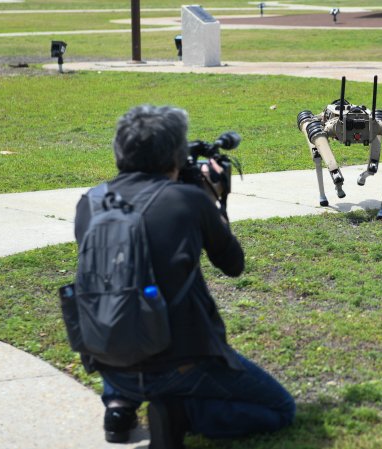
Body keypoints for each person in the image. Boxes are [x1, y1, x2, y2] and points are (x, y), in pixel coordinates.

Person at [73, 105, 295, 448]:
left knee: (121, 297)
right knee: (280, 408)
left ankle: (118, 406)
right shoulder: (189, 201)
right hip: (180, 366)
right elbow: (233, 264)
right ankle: (182, 414)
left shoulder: (91, 202)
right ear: (176, 153)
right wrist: (213, 200)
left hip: (107, 358)